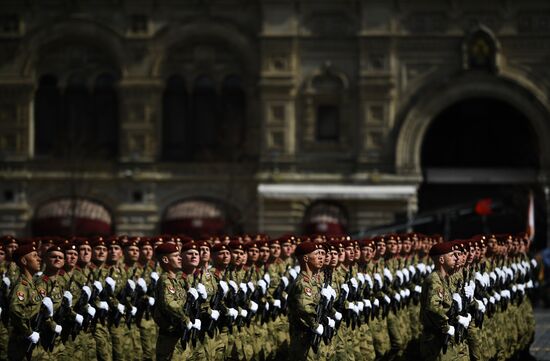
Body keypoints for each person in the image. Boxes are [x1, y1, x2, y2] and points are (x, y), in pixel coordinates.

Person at [419, 241, 469, 361]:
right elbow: (433, 307)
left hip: (443, 337)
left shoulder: (444, 279)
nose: (456, 259)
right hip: (435, 340)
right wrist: (446, 324)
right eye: (452, 256)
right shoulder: (434, 279)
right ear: (441, 260)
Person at [287, 241, 325, 361]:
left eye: (321, 254)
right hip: (302, 339)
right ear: (305, 258)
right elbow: (305, 308)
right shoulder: (303, 283)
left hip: (310, 337)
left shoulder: (311, 282)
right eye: (316, 254)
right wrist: (316, 325)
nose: (320, 257)